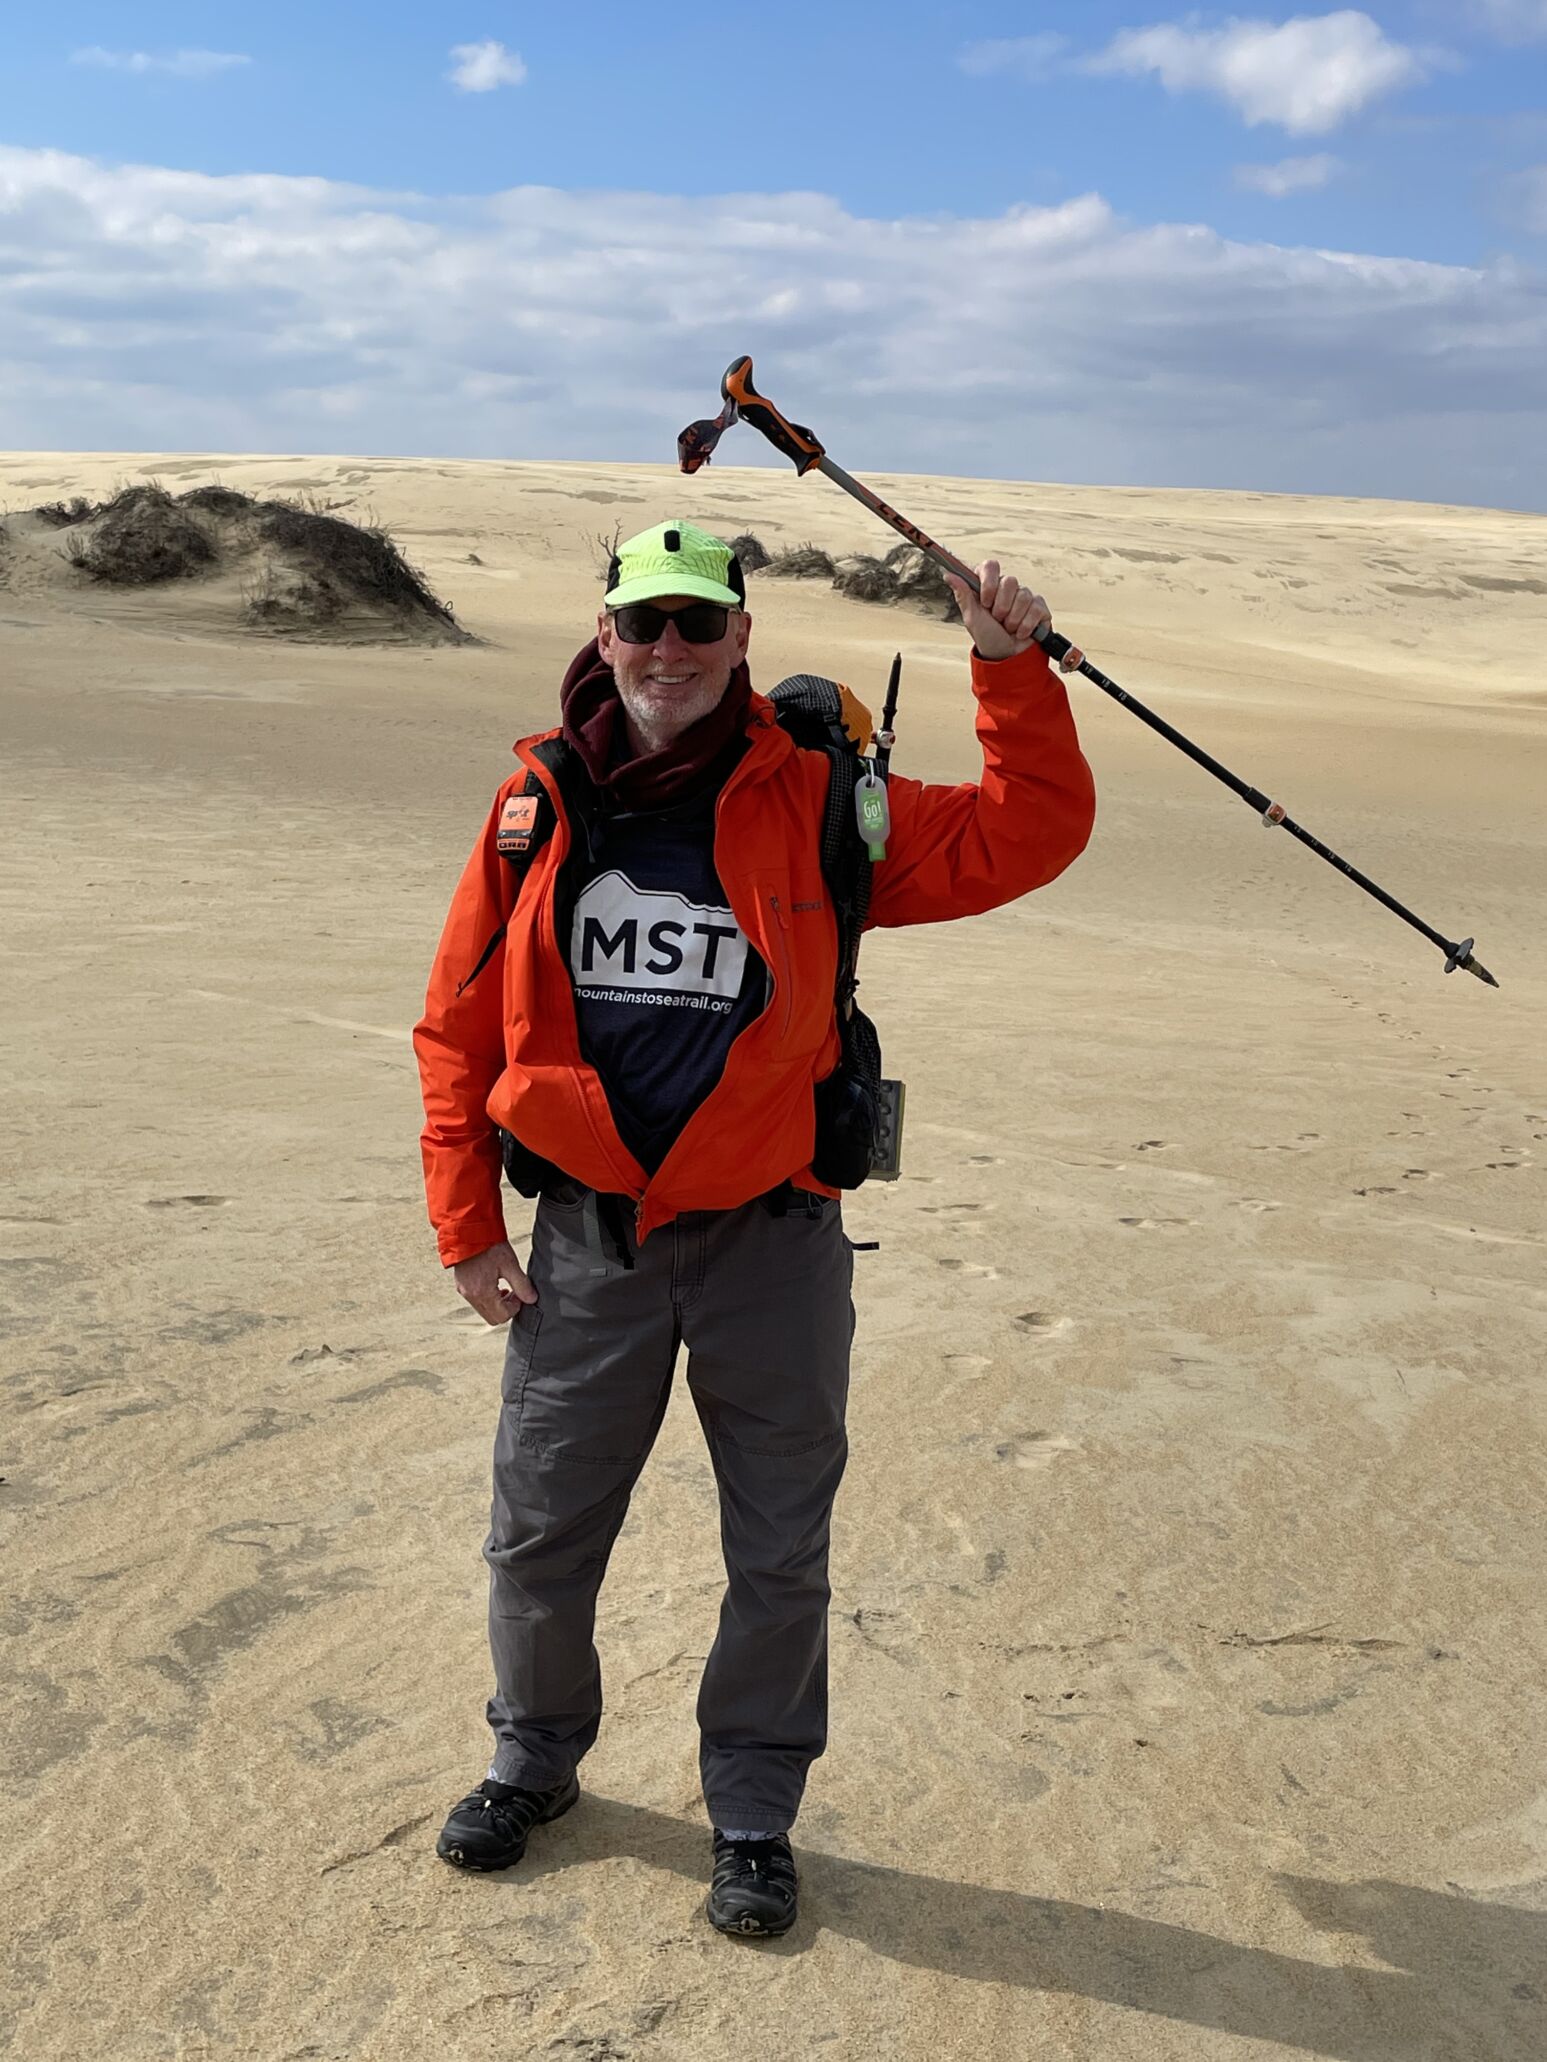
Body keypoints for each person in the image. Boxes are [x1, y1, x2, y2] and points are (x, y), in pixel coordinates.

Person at [413, 519, 1095, 1937]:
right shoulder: (533, 803)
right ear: (603, 636)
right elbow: (457, 1024)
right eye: (642, 623)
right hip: (589, 1247)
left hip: (774, 1243)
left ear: (740, 639)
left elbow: (1034, 829)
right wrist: (465, 1221)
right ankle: (533, 1760)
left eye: (696, 624)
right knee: (540, 1532)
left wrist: (1007, 666)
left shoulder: (827, 802)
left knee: (778, 1546)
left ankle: (754, 1811)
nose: (669, 650)